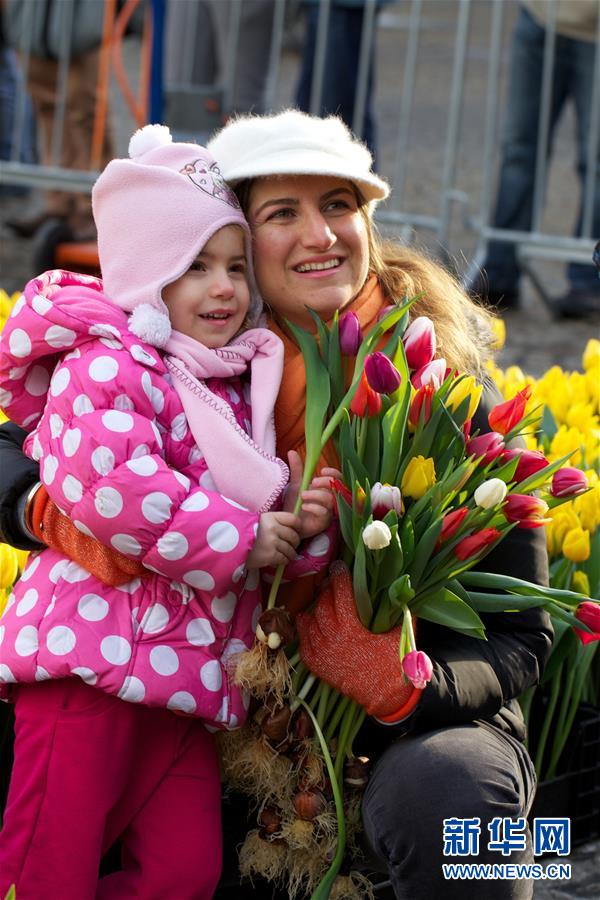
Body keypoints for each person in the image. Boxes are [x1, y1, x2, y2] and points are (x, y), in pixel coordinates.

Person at [0, 109, 552, 900]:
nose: (319, 234)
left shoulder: (442, 382)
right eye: (281, 213)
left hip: (408, 730)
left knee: (455, 796)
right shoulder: (176, 345)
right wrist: (42, 510)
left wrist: (409, 686)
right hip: (232, 710)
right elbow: (23, 440)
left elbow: (524, 633)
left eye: (338, 205)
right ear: (234, 239)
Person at [0, 124, 336, 899]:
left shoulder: (228, 386)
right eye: (194, 268)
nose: (223, 288)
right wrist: (246, 537)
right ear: (148, 274)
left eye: (233, 267)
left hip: (184, 684)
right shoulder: (105, 361)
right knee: (50, 865)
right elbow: (120, 490)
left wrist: (301, 533)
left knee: (185, 875)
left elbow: (260, 537)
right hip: (88, 666)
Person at [469, 0, 600, 319]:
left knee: (594, 161)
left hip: (593, 29)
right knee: (519, 150)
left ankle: (588, 279)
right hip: (539, 15)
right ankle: (499, 271)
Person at [3, 0, 114, 239]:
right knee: (46, 105)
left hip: (83, 14)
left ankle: (94, 207)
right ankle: (60, 203)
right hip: (37, 15)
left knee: (86, 109)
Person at [295, 0, 384, 162]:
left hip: (345, 7)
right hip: (329, 7)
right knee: (312, 111)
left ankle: (356, 183)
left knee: (340, 115)